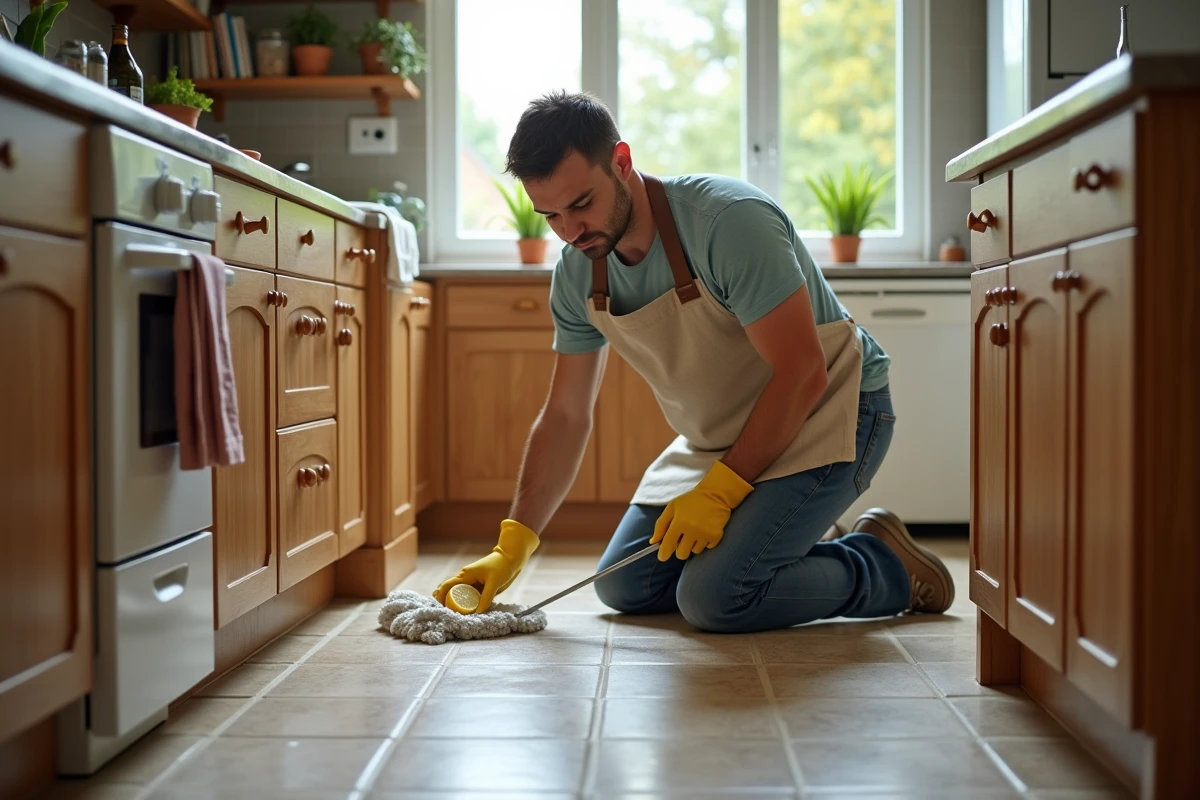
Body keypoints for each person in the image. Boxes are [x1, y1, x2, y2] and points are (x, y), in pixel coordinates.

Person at [433, 91, 955, 632]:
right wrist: (513, 544)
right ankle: (787, 532)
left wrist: (722, 491)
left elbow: (803, 372)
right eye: (551, 216)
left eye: (581, 204)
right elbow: (566, 416)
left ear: (622, 161)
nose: (570, 231)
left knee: (715, 597)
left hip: (833, 411)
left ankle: (880, 565)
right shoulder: (577, 274)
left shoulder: (728, 222)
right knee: (624, 586)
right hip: (721, 437)